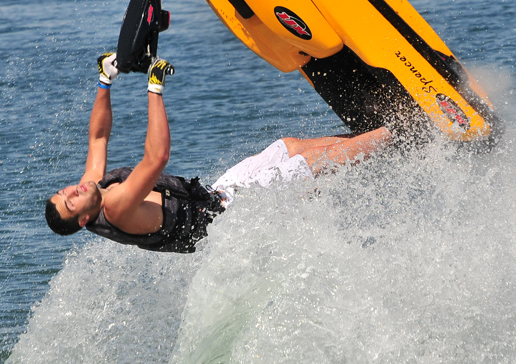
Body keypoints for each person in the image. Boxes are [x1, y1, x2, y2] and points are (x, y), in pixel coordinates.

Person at [44, 53, 391, 253]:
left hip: (218, 194)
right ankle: (401, 130)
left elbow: (98, 138)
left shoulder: (94, 188)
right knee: (308, 165)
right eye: (71, 203)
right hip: (235, 219)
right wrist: (154, 87)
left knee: (290, 147)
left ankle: (375, 136)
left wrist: (105, 81)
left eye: (64, 192)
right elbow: (157, 157)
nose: (74, 191)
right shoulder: (115, 208)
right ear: (84, 220)